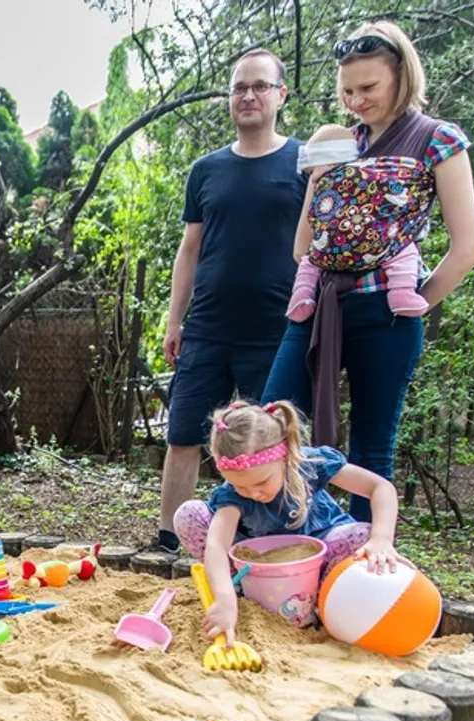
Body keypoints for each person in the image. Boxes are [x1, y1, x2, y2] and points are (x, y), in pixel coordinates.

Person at [262, 21, 474, 523]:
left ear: (401, 75)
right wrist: (319, 179)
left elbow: (469, 246)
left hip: (387, 313)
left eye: (368, 88)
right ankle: (284, 543)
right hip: (318, 306)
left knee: (371, 448)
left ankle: (364, 570)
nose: (356, 101)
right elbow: (304, 247)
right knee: (271, 424)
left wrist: (414, 303)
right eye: (347, 91)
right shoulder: (338, 140)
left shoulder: (437, 139)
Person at [155, 48, 308, 554]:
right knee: (182, 434)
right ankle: (168, 540)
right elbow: (191, 248)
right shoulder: (206, 170)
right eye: (239, 87)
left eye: (260, 86)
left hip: (278, 331)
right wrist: (174, 320)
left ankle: (276, 541)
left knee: (273, 441)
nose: (248, 95)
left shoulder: (304, 163)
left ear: (281, 94)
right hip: (207, 330)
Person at [173, 401, 408, 644]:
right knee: (188, 515)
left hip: (318, 553)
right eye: (239, 485)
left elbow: (380, 487)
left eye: (261, 482)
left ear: (285, 456)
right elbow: (217, 545)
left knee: (362, 535)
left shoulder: (311, 465)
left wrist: (382, 538)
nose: (253, 493)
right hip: (256, 562)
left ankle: (317, 599)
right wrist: (224, 598)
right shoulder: (233, 496)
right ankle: (245, 589)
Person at [286, 123, 427, 322]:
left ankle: (302, 294)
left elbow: (301, 251)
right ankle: (402, 292)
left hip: (329, 246)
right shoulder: (381, 170)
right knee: (404, 249)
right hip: (376, 241)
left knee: (311, 261)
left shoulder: (321, 175)